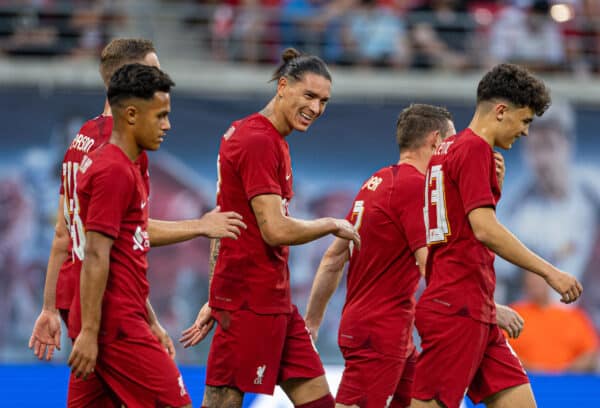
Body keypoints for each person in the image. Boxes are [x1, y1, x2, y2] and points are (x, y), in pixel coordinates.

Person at [29, 38, 245, 362]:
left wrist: (48, 307)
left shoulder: (82, 139)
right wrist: (200, 226)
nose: (162, 80)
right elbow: (129, 235)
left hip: (79, 293)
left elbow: (64, 232)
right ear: (131, 78)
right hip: (106, 301)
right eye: (154, 71)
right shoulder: (120, 150)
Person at [304, 104, 524, 408]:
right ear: (435, 142)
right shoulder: (414, 187)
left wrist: (312, 321)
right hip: (381, 332)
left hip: (380, 329)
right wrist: (488, 308)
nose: (454, 150)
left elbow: (333, 258)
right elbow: (431, 264)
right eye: (450, 141)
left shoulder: (376, 182)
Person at [180, 48, 360, 408]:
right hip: (248, 304)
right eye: (309, 96)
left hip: (272, 302)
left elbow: (226, 220)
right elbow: (274, 230)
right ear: (282, 86)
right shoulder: (258, 141)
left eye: (323, 101)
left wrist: (215, 295)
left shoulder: (262, 137)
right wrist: (330, 223)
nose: (316, 108)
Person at [411, 63, 583, 408]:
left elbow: (458, 231)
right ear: (501, 111)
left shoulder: (447, 150)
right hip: (457, 309)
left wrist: (488, 305)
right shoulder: (474, 149)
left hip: (473, 306)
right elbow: (484, 230)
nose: (526, 133)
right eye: (525, 121)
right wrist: (550, 272)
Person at [66, 63, 190, 407]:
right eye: (161, 115)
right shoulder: (114, 172)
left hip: (115, 320)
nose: (168, 125)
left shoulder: (126, 166)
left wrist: (151, 319)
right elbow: (94, 255)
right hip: (115, 328)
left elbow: (124, 256)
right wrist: (91, 333)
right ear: (132, 114)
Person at [507, 271, 598, 373]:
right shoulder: (512, 315)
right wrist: (533, 370)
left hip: (569, 383)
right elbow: (502, 352)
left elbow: (590, 352)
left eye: (538, 280)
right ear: (525, 284)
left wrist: (566, 372)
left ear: (549, 281)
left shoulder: (573, 316)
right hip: (525, 380)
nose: (535, 284)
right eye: (531, 281)